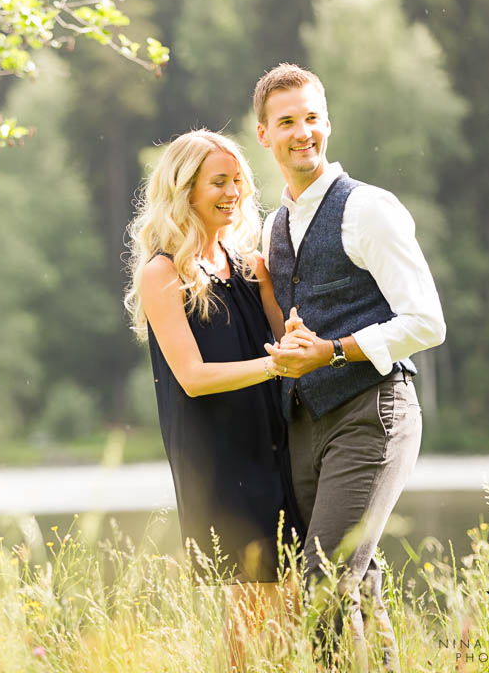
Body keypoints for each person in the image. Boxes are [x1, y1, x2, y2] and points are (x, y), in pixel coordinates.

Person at [254, 63, 446, 672]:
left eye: (312, 118)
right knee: (354, 586)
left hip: (374, 412)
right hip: (307, 426)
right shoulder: (272, 226)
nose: (302, 133)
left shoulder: (368, 209)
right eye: (287, 122)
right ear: (264, 135)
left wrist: (335, 351)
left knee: (324, 586)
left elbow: (427, 322)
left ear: (328, 123)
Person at [123, 129, 310, 650]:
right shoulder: (162, 273)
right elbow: (193, 377)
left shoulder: (252, 266)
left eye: (239, 182)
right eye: (218, 182)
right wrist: (276, 367)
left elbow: (283, 336)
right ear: (185, 190)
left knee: (289, 601)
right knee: (254, 604)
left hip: (274, 442)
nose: (233, 193)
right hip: (220, 455)